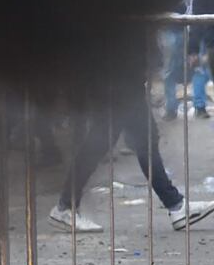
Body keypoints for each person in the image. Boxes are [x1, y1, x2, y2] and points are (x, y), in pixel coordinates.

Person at [50, 27, 214, 234]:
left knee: (140, 140)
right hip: (115, 78)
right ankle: (65, 206)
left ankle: (175, 205)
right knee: (109, 141)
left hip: (120, 77)